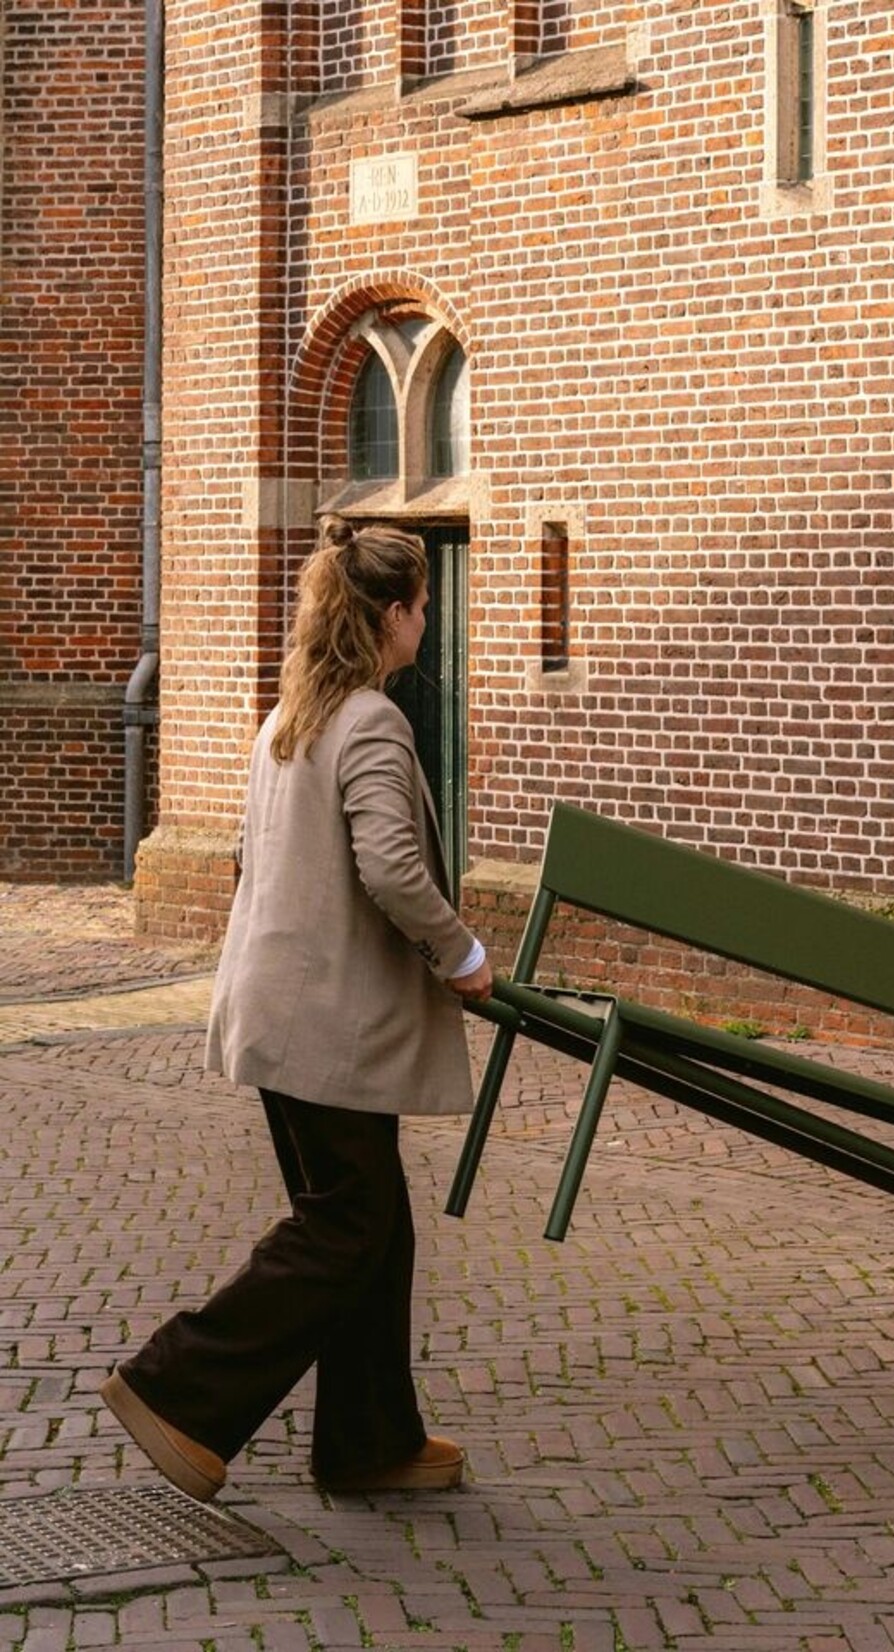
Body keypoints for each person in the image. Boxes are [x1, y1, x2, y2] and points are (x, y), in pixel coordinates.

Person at [101, 516, 493, 1499]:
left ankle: (369, 1440)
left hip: (279, 1015)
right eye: (421, 608)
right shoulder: (366, 719)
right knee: (345, 1225)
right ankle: (177, 1387)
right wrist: (461, 952)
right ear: (392, 613)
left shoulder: (287, 718)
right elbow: (391, 866)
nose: (425, 623)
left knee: (370, 1222)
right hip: (326, 1028)